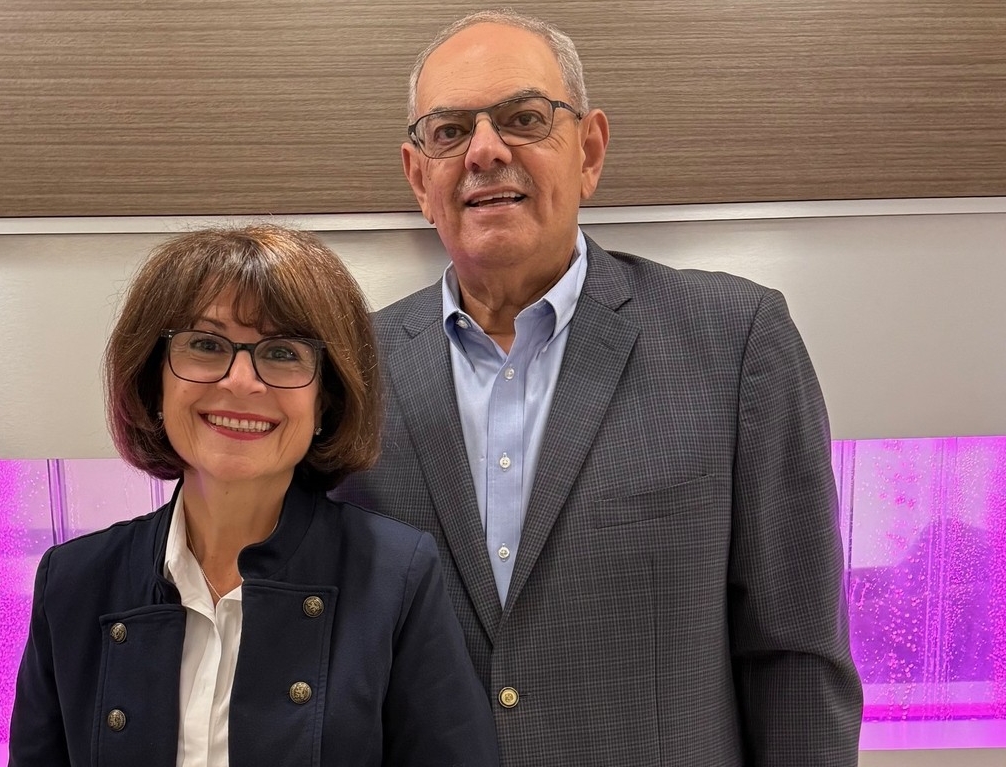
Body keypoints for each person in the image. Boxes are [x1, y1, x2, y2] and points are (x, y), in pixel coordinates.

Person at [332, 9, 864, 766]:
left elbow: (797, 657)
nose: (485, 150)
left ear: (588, 151)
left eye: (523, 117)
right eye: (449, 131)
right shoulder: (353, 369)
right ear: (420, 178)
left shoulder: (735, 340)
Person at [8, 225, 498, 767]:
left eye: (283, 352)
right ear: (154, 382)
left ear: (325, 401)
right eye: (206, 345)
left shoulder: (394, 576)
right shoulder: (74, 584)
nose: (242, 381)